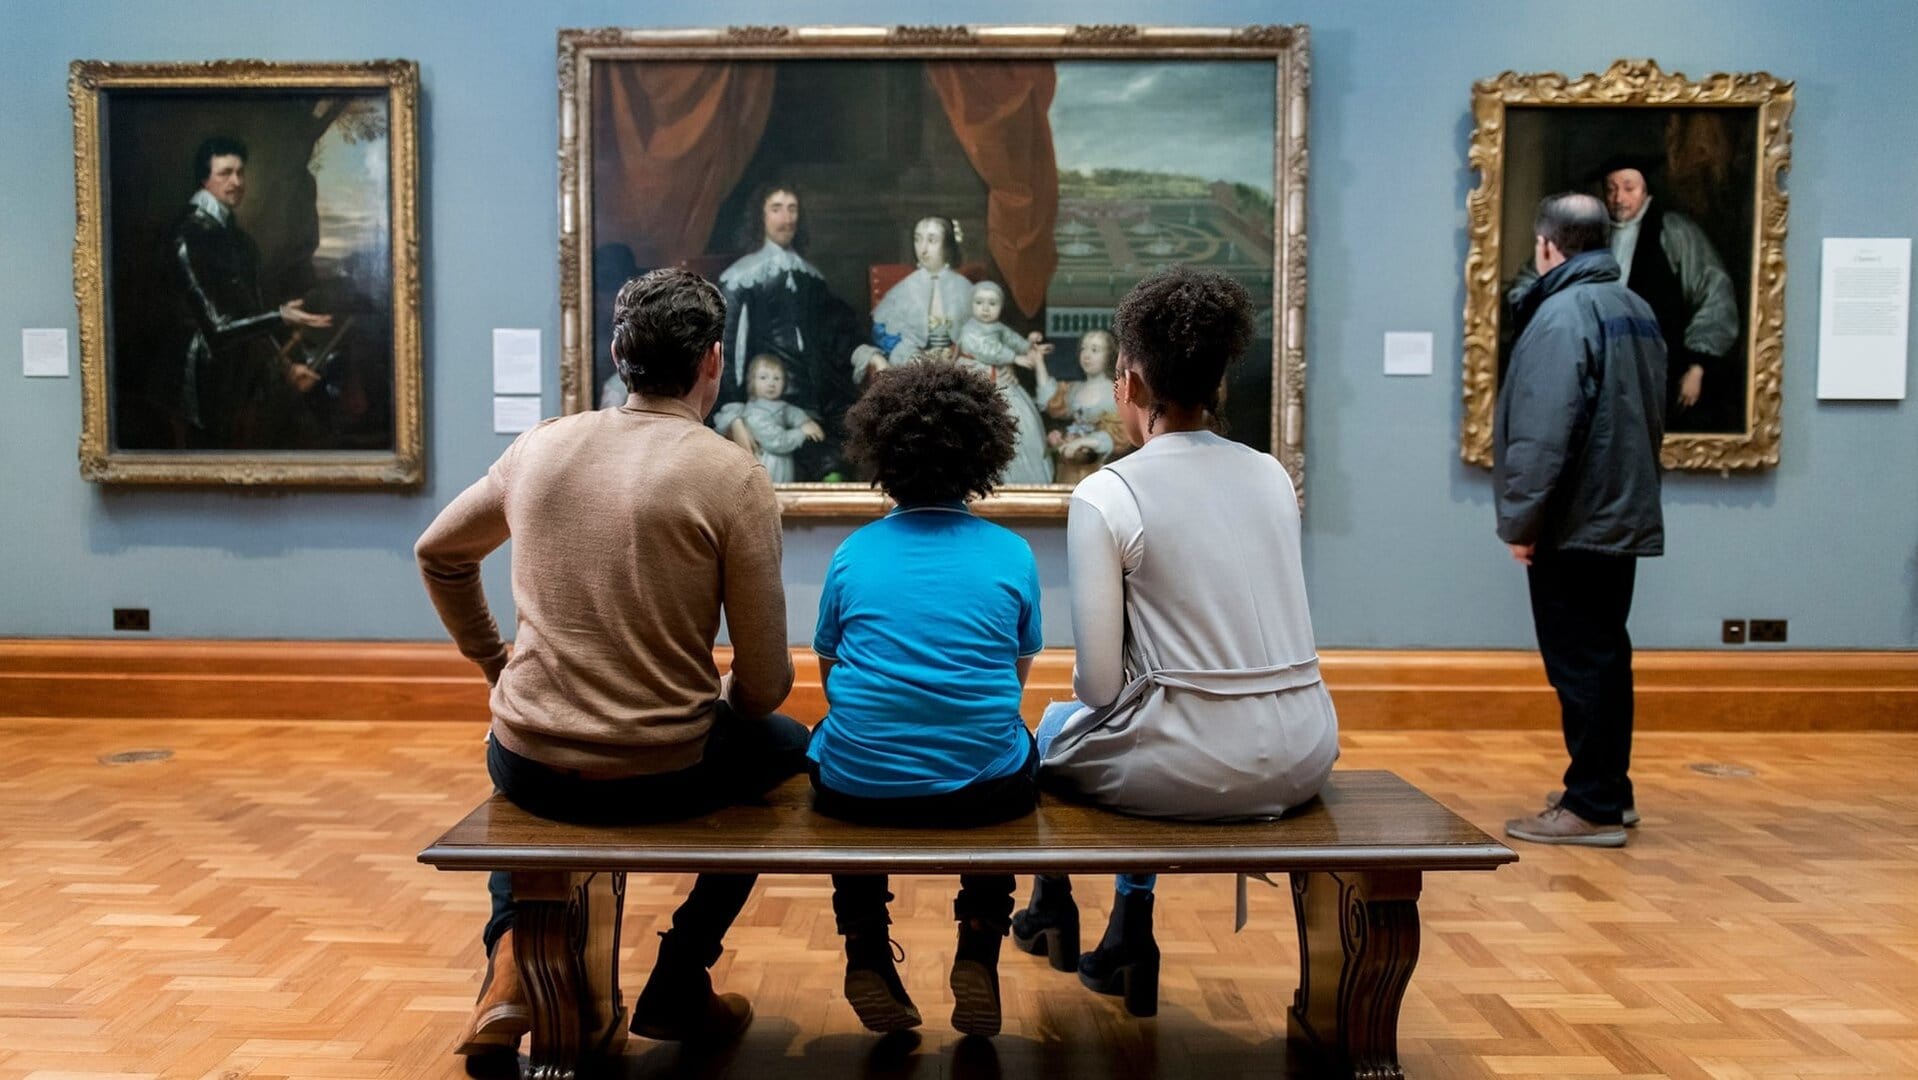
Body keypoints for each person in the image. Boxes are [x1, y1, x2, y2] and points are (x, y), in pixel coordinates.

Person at [414, 269, 809, 1065]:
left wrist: (497, 663)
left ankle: (509, 965)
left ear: (620, 353)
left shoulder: (543, 446)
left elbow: (439, 553)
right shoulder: (731, 475)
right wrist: (712, 704)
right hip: (663, 771)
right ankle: (680, 971)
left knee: (522, 776)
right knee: (791, 755)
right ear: (713, 362)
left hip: (530, 759)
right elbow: (765, 685)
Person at [1013, 266, 1340, 1019]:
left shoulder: (1108, 492)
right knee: (1140, 729)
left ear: (1126, 381)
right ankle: (1126, 931)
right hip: (1303, 748)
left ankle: (1053, 903)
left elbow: (1097, 688)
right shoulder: (1268, 475)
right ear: (1219, 378)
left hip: (1189, 760)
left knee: (1050, 735)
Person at [806, 360, 1043, 1038]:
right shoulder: (1011, 554)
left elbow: (830, 668)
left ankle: (866, 950)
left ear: (881, 453)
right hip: (984, 795)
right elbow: (1013, 678)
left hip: (859, 789)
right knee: (1010, 749)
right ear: (985, 456)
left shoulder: (853, 553)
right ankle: (978, 944)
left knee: (845, 746)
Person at [1494, 193, 1667, 848]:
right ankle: (1609, 792)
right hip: (1619, 515)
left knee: (1580, 664)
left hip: (1573, 522)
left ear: (1547, 246)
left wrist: (1523, 522)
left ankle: (1590, 805)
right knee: (1605, 656)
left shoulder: (1561, 316)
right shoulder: (1635, 308)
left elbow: (1544, 433)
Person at [1509, 158, 1736, 425]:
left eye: (1629, 188)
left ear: (1646, 190)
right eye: (1611, 189)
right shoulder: (1583, 233)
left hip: (1658, 373)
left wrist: (1697, 368)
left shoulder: (1675, 233)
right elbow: (1528, 283)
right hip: (1591, 371)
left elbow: (1716, 296)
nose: (1619, 198)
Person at [166, 135, 335, 448]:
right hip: (205, 377)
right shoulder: (189, 234)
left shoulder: (239, 240)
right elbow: (217, 329)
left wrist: (286, 367)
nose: (236, 182)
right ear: (204, 179)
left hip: (241, 372)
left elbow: (251, 313)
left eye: (240, 173)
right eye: (225, 173)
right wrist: (281, 317)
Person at [716, 182, 884, 480]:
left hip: (818, 399)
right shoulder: (741, 278)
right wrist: (735, 417)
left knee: (851, 450)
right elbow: (728, 350)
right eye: (777, 209)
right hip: (768, 404)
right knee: (820, 466)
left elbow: (837, 331)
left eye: (792, 209)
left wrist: (869, 355)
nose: (787, 218)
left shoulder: (810, 277)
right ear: (761, 216)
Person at [957, 280, 1055, 484]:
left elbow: (1015, 342)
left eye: (992, 303)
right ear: (971, 304)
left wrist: (1030, 344)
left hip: (1000, 378)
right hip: (973, 374)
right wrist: (1014, 358)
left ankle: (1019, 480)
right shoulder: (969, 329)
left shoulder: (1000, 328)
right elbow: (985, 348)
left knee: (1017, 420)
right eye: (980, 302)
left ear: (1001, 307)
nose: (985, 308)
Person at [871, 216, 977, 367]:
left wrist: (955, 352)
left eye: (932, 241)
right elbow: (882, 334)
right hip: (916, 366)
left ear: (947, 245)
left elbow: (983, 332)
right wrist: (916, 356)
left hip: (958, 364)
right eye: (917, 239)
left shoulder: (964, 287)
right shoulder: (905, 288)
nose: (923, 249)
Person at [709, 354, 826, 483]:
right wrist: (802, 432)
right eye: (763, 378)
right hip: (767, 463)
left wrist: (805, 422)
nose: (771, 383)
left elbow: (793, 413)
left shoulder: (781, 406)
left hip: (782, 463)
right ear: (752, 381)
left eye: (777, 378)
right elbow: (777, 441)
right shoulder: (753, 413)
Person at [1045, 328, 1129, 486]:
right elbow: (1058, 411)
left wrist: (1085, 442)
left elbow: (1121, 437)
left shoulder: (1117, 392)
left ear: (1110, 355)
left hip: (1099, 471)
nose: (1086, 355)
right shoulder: (1074, 389)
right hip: (1068, 469)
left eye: (1095, 350)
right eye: (1083, 349)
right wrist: (1059, 437)